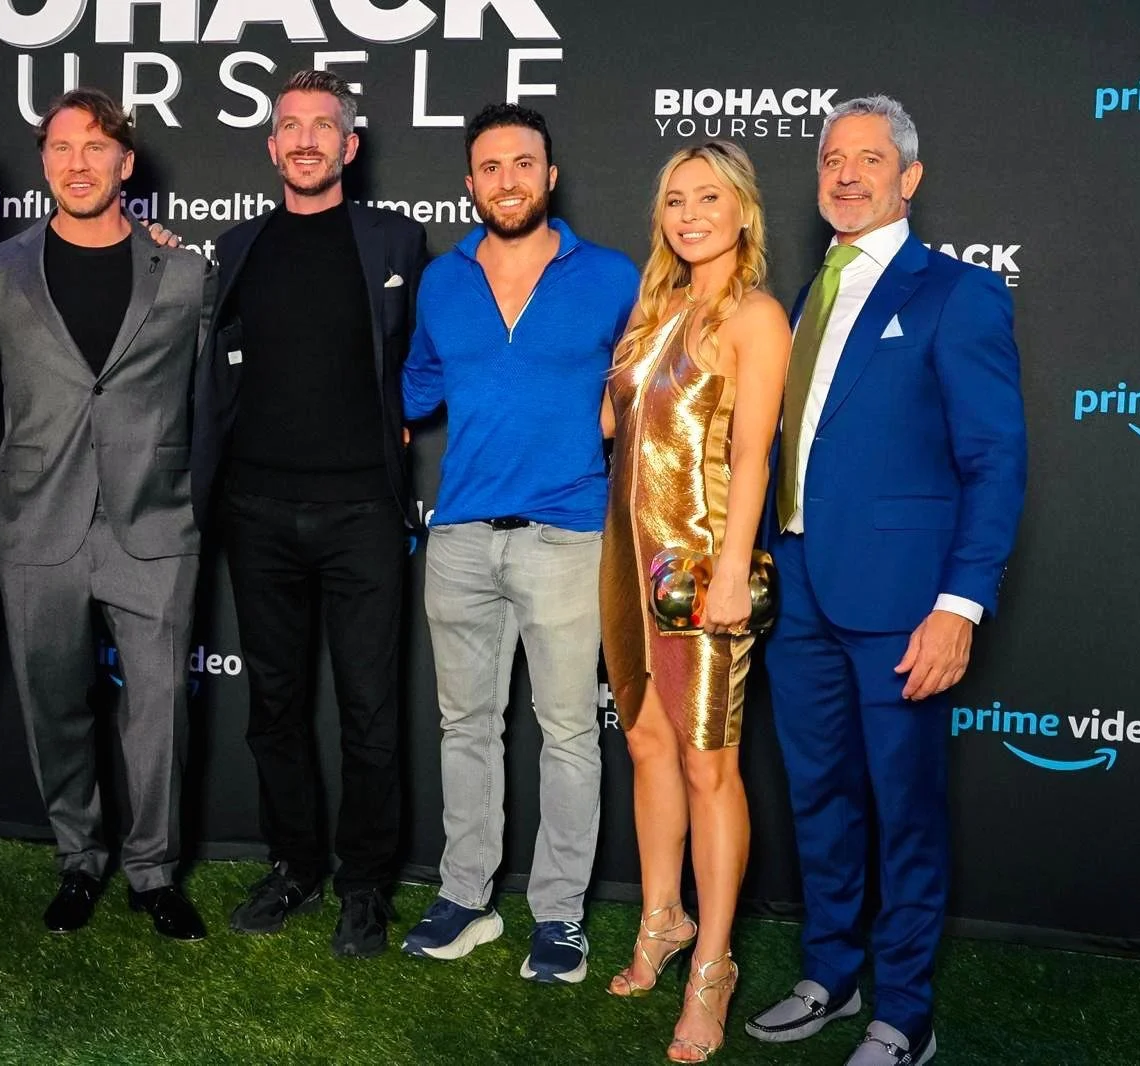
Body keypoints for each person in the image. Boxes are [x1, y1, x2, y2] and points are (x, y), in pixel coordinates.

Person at [744, 96, 1026, 1066]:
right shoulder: (803, 295)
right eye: (832, 157)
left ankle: (904, 1011)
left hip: (904, 599)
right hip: (802, 595)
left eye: (870, 158)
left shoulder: (957, 294)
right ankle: (830, 972)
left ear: (908, 177)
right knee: (817, 796)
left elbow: (995, 460)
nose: (846, 173)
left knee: (904, 807)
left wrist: (959, 604)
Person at [399, 103, 638, 984]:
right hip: (459, 535)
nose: (508, 180)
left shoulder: (612, 276)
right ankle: (466, 898)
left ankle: (561, 916)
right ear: (471, 183)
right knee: (466, 727)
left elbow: (650, 390)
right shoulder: (442, 282)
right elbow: (415, 388)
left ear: (550, 176)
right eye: (490, 167)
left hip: (568, 537)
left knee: (570, 731)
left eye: (523, 164)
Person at [192, 70, 429, 959]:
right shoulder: (238, 244)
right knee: (275, 705)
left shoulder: (396, 239)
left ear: (349, 146)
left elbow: (430, 355)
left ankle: (364, 885)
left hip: (364, 511)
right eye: (288, 126)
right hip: (255, 511)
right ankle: (294, 863)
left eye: (321, 127)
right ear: (271, 146)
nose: (303, 140)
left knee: (371, 710)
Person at [0, 88, 215, 942]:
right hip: (37, 524)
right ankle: (78, 859)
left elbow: (213, 396)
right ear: (45, 163)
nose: (78, 163)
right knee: (54, 704)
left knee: (159, 710)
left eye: (95, 147)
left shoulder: (183, 270)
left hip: (156, 523)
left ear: (126, 162)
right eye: (61, 147)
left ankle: (152, 871)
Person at [599, 141, 791, 1062]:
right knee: (646, 743)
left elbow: (753, 454)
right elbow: (617, 426)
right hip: (628, 564)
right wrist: (635, 350)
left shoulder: (755, 315)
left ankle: (713, 967)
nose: (689, 214)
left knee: (712, 766)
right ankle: (662, 919)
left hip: (701, 564)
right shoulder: (660, 305)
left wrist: (728, 571)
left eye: (708, 197)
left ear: (743, 211)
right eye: (674, 199)